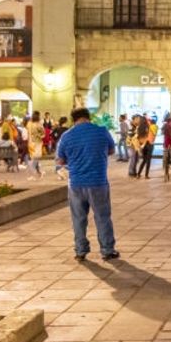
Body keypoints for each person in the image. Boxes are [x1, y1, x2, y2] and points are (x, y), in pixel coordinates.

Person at [56, 107, 119, 262]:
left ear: (73, 119)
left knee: (78, 218)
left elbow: (61, 160)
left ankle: (80, 251)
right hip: (98, 182)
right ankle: (107, 250)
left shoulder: (67, 136)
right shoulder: (102, 131)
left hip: (76, 183)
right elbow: (111, 150)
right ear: (88, 117)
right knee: (102, 216)